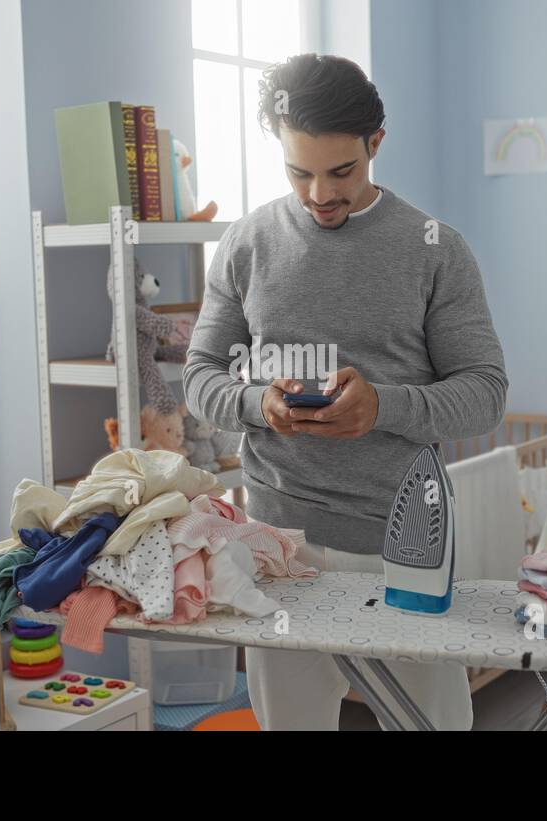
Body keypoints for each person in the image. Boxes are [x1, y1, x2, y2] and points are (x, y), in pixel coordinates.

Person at [183, 53, 507, 730]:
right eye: (299, 173)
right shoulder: (245, 244)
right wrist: (257, 403)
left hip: (404, 542)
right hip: (280, 545)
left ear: (375, 145)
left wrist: (382, 406)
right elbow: (201, 376)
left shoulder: (435, 249)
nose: (320, 195)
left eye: (342, 173)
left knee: (434, 723)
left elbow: (484, 393)